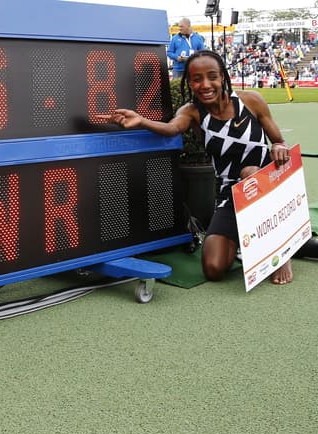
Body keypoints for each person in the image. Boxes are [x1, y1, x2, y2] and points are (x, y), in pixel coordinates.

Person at [96, 50, 294, 285]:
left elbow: (279, 140)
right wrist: (141, 121)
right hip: (229, 194)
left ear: (223, 77)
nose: (205, 84)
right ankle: (244, 236)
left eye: (212, 76)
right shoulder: (192, 112)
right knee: (213, 268)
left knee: (248, 173)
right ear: (189, 82)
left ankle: (283, 251)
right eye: (197, 79)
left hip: (265, 188)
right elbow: (172, 128)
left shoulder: (251, 100)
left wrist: (280, 147)